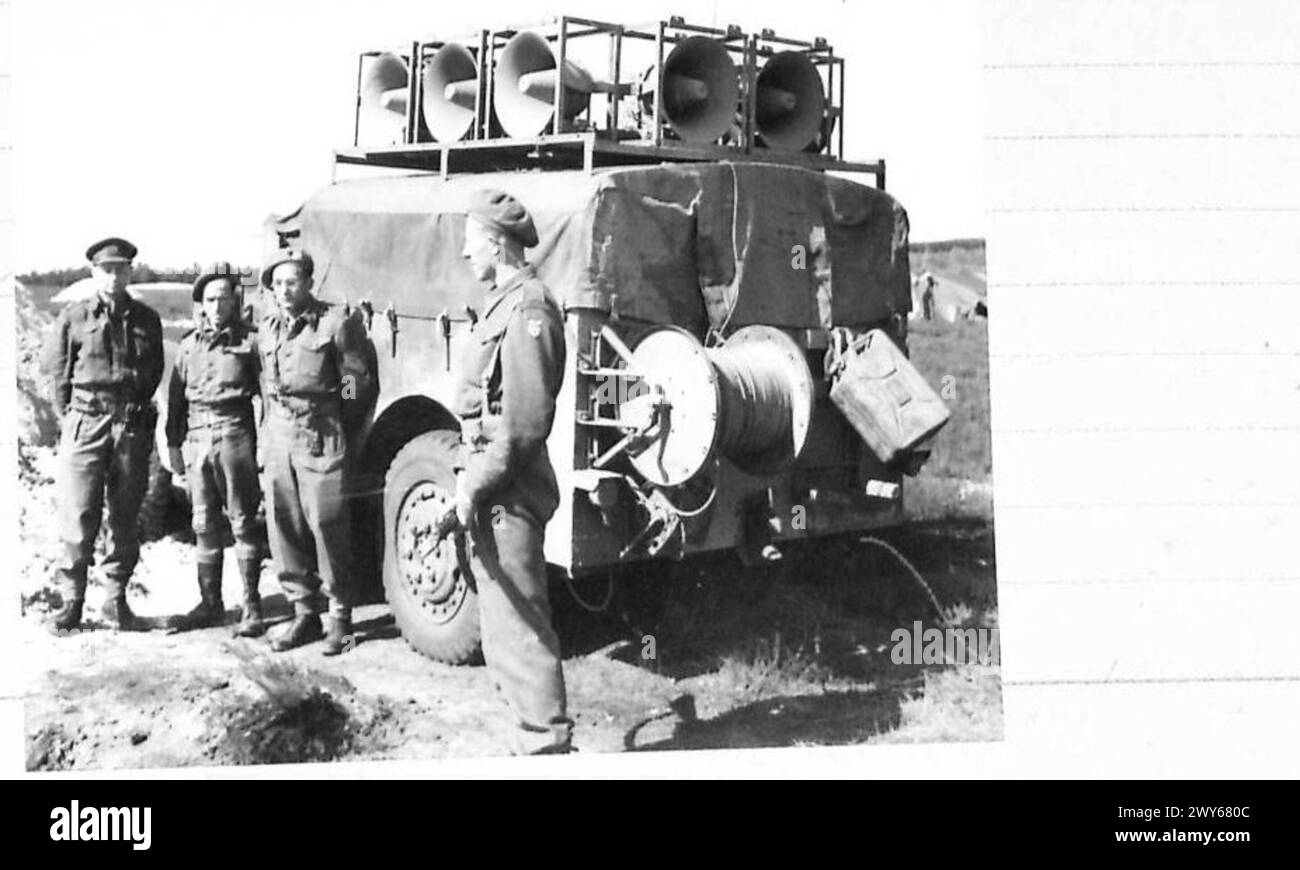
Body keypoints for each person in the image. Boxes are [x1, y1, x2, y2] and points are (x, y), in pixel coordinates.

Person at [453, 189, 573, 754]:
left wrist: (475, 483)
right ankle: (531, 740)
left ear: (496, 243)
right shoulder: (504, 303)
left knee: (520, 624)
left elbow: (524, 422)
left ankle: (545, 745)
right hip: (494, 483)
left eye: (469, 240)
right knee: (502, 623)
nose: (462, 251)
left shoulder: (528, 308)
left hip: (510, 489)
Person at [42, 237, 164, 632]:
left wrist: (132, 409)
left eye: (121, 269)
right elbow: (58, 375)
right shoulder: (74, 317)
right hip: (86, 422)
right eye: (106, 269)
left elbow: (155, 371)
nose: (114, 276)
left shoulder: (147, 319)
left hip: (129, 424)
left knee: (126, 514)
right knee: (78, 512)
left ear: (130, 272)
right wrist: (75, 417)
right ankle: (72, 601)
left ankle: (116, 600)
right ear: (94, 273)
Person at [258, 249, 376, 654]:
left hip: (321, 434)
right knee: (283, 523)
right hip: (279, 436)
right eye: (277, 284)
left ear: (309, 283)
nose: (284, 290)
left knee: (328, 523)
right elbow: (265, 382)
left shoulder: (336, 323)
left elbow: (353, 384)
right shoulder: (269, 327)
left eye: (292, 282)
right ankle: (303, 612)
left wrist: (336, 418)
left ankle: (340, 618)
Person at [164, 263, 265, 636]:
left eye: (224, 297)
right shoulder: (188, 347)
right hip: (197, 437)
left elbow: (267, 396)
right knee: (204, 523)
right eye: (210, 298)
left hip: (235, 432)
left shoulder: (251, 343)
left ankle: (252, 607)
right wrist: (175, 445)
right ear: (201, 305)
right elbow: (176, 401)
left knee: (242, 521)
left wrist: (265, 445)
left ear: (235, 302)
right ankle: (210, 604)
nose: (218, 304)